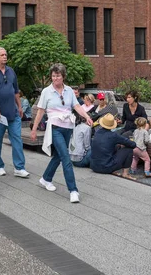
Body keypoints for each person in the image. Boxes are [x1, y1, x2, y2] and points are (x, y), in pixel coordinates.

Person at [30, 63, 93, 204]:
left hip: (68, 126)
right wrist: (34, 129)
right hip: (55, 127)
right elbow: (40, 110)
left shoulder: (69, 90)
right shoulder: (46, 91)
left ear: (63, 76)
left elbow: (76, 106)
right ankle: (73, 190)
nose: (55, 78)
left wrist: (87, 116)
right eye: (53, 76)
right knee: (65, 157)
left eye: (58, 75)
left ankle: (46, 178)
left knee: (58, 156)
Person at [0, 47, 29, 178]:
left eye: (6, 54)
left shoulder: (11, 71)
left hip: (13, 113)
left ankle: (19, 167)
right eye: (2, 55)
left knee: (17, 139)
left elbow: (16, 91)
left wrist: (19, 106)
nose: (5, 56)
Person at [90, 114, 137, 180]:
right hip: (106, 167)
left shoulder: (97, 132)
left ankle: (113, 170)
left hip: (94, 166)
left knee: (113, 146)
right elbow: (133, 145)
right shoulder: (113, 135)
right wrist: (125, 143)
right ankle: (125, 173)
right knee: (128, 150)